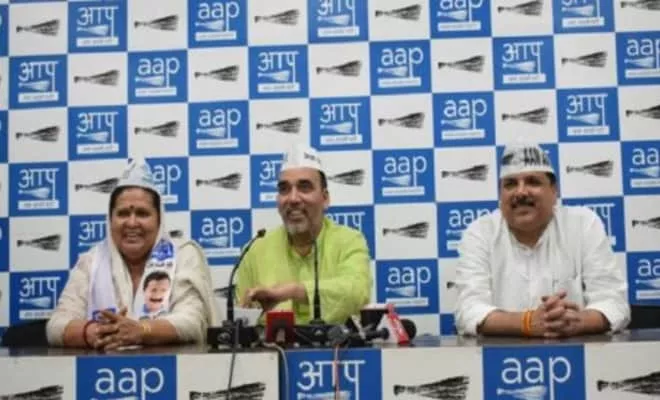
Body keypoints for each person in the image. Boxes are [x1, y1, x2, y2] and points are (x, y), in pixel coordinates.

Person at [454, 142, 630, 338]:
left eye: (533, 182)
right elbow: (468, 311)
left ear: (554, 191)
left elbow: (614, 303)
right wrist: (527, 322)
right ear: (500, 194)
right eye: (510, 184)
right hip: (499, 355)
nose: (521, 192)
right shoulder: (480, 232)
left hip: (575, 353)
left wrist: (577, 322)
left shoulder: (583, 225)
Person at [46, 158, 218, 350]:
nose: (132, 223)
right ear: (110, 220)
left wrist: (142, 331)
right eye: (122, 214)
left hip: (170, 367)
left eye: (142, 214)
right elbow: (56, 325)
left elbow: (192, 322)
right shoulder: (91, 261)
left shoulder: (183, 255)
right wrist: (93, 332)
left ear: (159, 220)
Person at [236, 143, 372, 324]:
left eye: (304, 187)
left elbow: (356, 293)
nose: (293, 199)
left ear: (325, 198)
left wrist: (292, 292)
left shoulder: (349, 240)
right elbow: (243, 320)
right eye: (284, 189)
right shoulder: (255, 249)